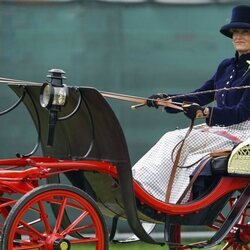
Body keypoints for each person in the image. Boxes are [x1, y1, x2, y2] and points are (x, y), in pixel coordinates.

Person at [132, 5, 250, 204]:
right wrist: (166, 100)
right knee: (172, 137)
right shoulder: (226, 66)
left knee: (177, 140)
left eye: (245, 32)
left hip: (243, 135)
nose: (238, 37)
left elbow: (241, 112)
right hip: (220, 130)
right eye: (235, 32)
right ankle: (140, 185)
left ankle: (150, 192)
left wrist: (204, 112)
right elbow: (199, 95)